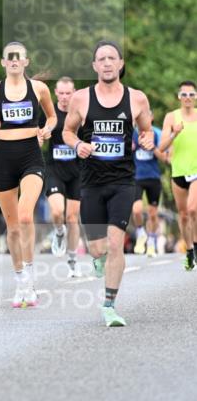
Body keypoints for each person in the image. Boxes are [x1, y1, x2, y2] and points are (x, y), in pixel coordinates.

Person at [63, 40, 154, 327]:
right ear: (94, 66)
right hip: (90, 182)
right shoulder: (81, 98)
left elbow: (147, 131)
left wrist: (149, 139)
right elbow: (67, 131)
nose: (106, 63)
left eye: (111, 58)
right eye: (101, 59)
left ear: (120, 63)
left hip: (123, 181)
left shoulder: (137, 98)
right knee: (98, 248)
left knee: (116, 244)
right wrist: (77, 144)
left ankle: (109, 305)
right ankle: (99, 259)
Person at [0, 41, 56, 308]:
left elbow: (52, 117)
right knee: (12, 228)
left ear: (26, 62)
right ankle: (20, 279)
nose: (14, 60)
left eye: (19, 57)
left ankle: (30, 279)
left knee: (26, 215)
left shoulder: (39, 89)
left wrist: (47, 129)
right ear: (3, 62)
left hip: (30, 156)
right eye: (9, 57)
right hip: (3, 158)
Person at [42, 76, 82, 276]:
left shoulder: (80, 114)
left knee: (72, 217)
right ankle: (59, 232)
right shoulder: (50, 115)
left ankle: (73, 260)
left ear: (74, 93)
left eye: (69, 93)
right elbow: (38, 137)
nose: (65, 97)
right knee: (57, 212)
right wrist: (42, 137)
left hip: (77, 171)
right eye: (62, 93)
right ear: (56, 93)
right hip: (54, 169)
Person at [159, 80, 197, 271]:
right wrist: (174, 133)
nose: (188, 98)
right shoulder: (171, 117)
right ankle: (189, 250)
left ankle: (196, 247)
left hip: (196, 171)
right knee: (183, 216)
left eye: (191, 94)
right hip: (178, 171)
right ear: (179, 97)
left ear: (196, 96)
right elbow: (162, 147)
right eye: (184, 95)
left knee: (192, 210)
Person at [131, 112, 166, 257]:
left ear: (151, 118)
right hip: (136, 177)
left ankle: (151, 241)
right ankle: (140, 232)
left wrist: (153, 148)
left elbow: (165, 158)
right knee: (137, 210)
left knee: (152, 214)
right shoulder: (133, 133)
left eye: (146, 117)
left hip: (153, 177)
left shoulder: (157, 134)